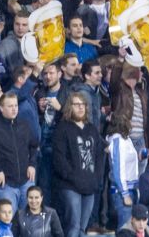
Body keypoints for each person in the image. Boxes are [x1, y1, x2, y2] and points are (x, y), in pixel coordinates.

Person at [52, 93, 104, 237]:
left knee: (83, 228)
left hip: (90, 185)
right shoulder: (63, 128)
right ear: (70, 107)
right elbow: (59, 158)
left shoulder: (92, 129)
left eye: (83, 104)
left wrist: (97, 177)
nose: (80, 108)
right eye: (76, 104)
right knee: (73, 226)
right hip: (70, 185)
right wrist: (71, 176)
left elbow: (99, 155)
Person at [0, 92, 39, 212]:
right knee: (8, 220)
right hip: (5, 184)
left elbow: (34, 147)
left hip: (26, 180)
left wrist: (32, 164)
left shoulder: (24, 125)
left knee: (29, 218)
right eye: (10, 106)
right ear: (1, 108)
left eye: (16, 106)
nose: (14, 109)